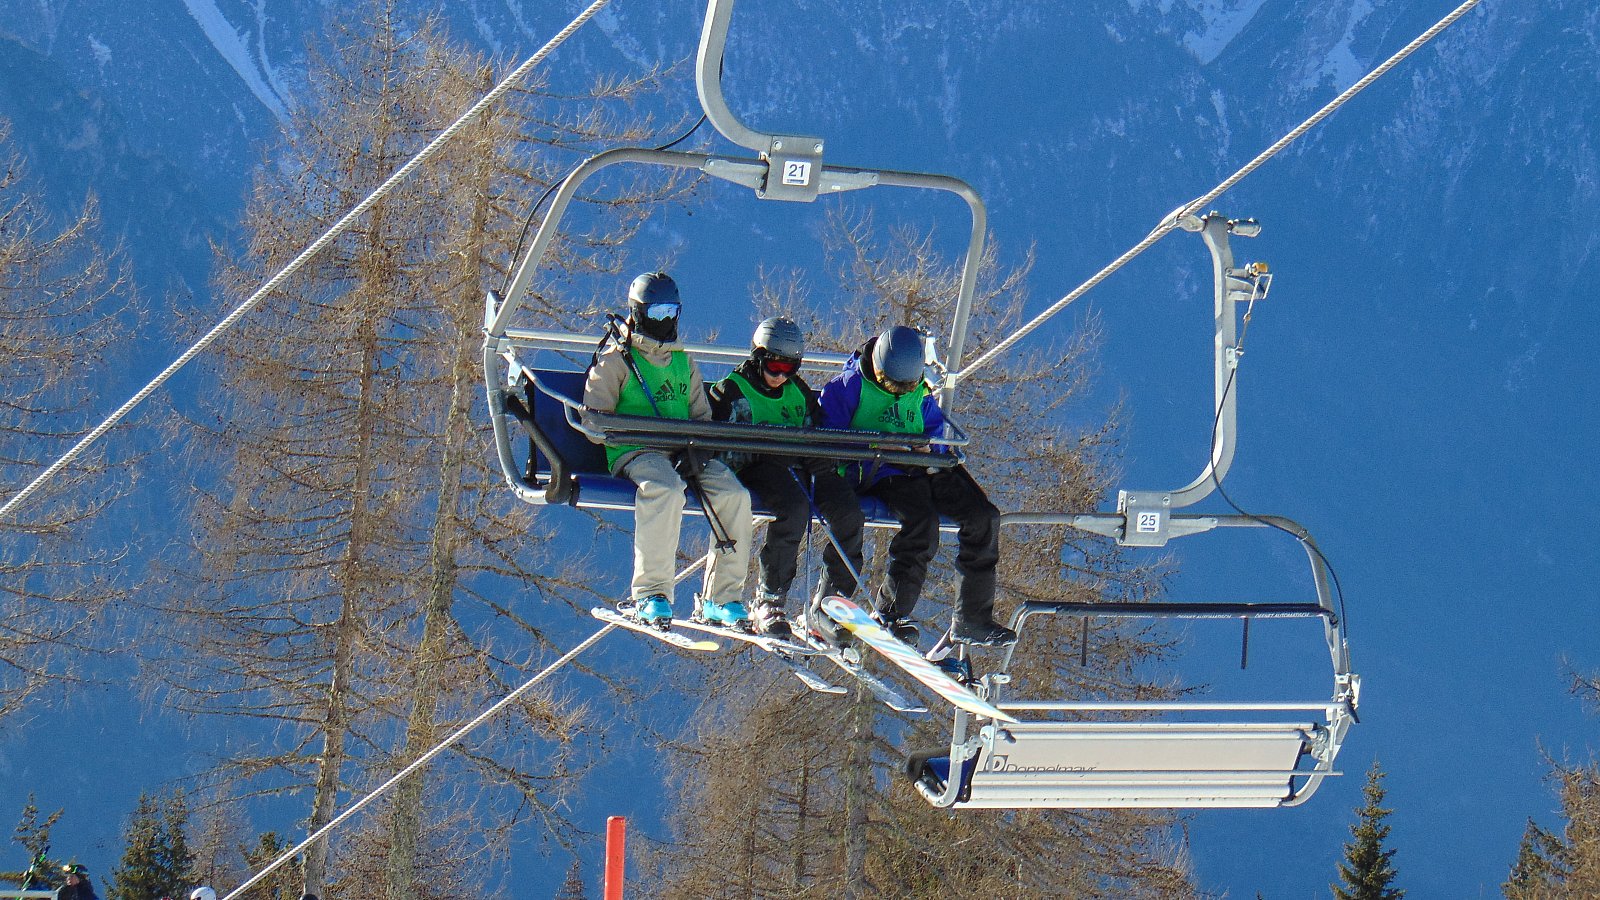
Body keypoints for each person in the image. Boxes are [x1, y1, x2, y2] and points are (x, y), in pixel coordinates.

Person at [817, 325, 1016, 647]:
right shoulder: (849, 386)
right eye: (891, 385)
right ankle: (892, 611)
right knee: (922, 523)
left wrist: (929, 449)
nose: (899, 392)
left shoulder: (919, 391)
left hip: (920, 464)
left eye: (907, 385)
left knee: (984, 518)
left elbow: (934, 427)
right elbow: (828, 437)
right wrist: (877, 446)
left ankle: (972, 618)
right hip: (879, 469)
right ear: (877, 368)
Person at [583, 271, 753, 629]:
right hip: (637, 451)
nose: (665, 321)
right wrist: (630, 431)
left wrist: (699, 450)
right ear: (638, 313)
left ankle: (721, 597)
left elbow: (701, 416)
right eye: (656, 313)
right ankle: (651, 593)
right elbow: (594, 420)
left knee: (734, 496)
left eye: (671, 312)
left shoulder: (682, 361)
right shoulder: (617, 359)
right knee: (665, 490)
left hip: (683, 451)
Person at [708, 317, 866, 637]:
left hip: (801, 465)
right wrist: (765, 448)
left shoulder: (798, 392)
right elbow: (721, 450)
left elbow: (818, 429)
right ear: (758, 357)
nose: (781, 376)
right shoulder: (733, 391)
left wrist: (820, 457)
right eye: (775, 366)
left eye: (790, 368)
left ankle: (831, 602)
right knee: (794, 510)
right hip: (758, 466)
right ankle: (770, 597)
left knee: (849, 513)